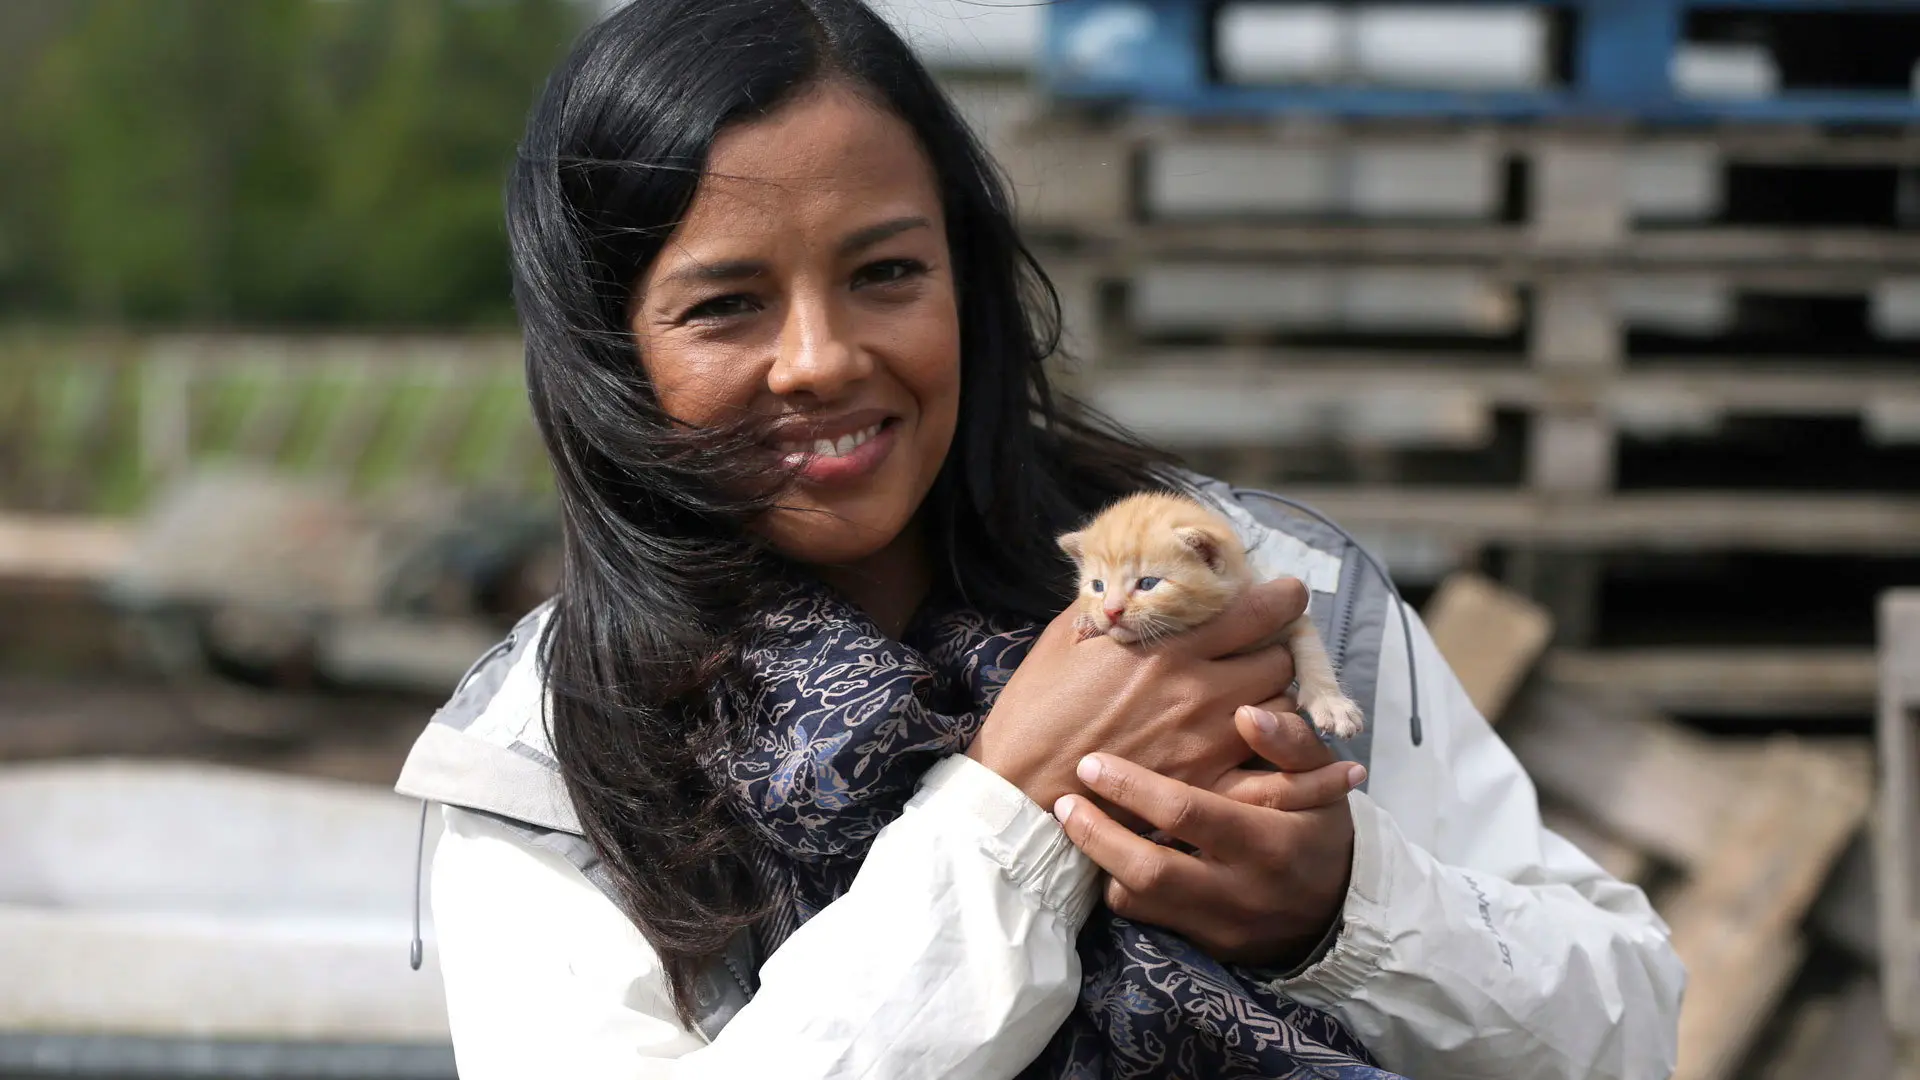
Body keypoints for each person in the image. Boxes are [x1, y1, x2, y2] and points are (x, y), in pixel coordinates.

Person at [394, 1, 1686, 1076]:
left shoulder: (1239, 586)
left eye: (886, 273)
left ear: (966, 270)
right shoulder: (547, 756)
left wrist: (1343, 908)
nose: (822, 359)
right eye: (726, 304)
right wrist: (1014, 817)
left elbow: (1625, 1023)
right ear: (605, 349)